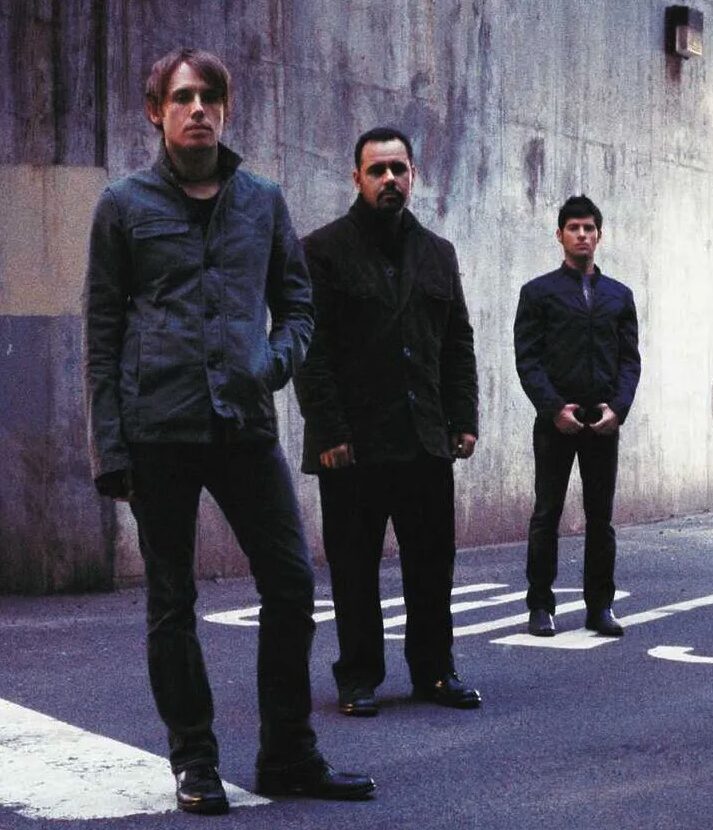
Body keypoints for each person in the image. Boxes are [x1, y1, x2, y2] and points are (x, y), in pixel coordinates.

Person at [83, 48, 373, 814]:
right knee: (171, 600)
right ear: (157, 111)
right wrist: (109, 447)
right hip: (158, 429)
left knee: (291, 582)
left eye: (210, 96)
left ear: (226, 109)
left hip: (244, 424)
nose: (198, 109)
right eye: (183, 97)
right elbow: (102, 331)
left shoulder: (262, 201)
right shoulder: (123, 205)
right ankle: (195, 761)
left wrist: (274, 361)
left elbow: (298, 305)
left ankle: (288, 755)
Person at [294, 126, 482, 717]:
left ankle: (435, 672)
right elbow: (309, 348)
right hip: (354, 444)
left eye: (398, 169)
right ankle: (358, 677)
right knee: (354, 568)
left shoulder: (438, 253)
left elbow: (457, 342)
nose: (389, 180)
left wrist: (464, 417)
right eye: (377, 171)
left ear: (413, 176)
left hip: (425, 438)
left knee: (433, 566)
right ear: (357, 178)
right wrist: (329, 430)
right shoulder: (322, 250)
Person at [513, 195, 641, 638]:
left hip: (603, 421)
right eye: (574, 228)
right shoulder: (538, 293)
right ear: (560, 235)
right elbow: (528, 359)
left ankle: (600, 607)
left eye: (589, 228)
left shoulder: (619, 296)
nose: (582, 235)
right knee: (546, 513)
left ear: (599, 236)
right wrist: (553, 408)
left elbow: (629, 360)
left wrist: (618, 409)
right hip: (556, 421)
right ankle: (540, 606)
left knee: (600, 518)